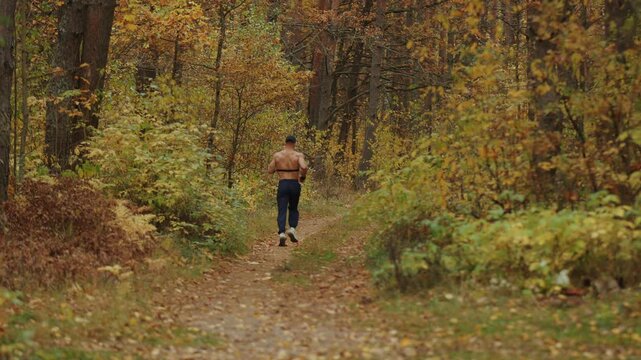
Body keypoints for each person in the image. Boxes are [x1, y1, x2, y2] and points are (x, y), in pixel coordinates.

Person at [267, 135, 308, 247]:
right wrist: (303, 177)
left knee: (282, 209)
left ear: (285, 143)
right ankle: (292, 228)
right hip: (294, 183)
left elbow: (270, 170)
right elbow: (304, 167)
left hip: (283, 183)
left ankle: (281, 233)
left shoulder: (277, 155)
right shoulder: (298, 155)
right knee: (293, 207)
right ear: (294, 143)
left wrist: (278, 166)